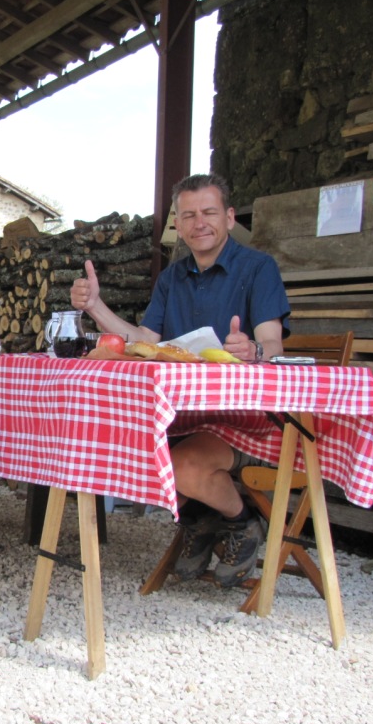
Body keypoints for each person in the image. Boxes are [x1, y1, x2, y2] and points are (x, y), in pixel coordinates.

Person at [70, 173, 291, 586]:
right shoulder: (173, 277)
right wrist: (96, 306)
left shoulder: (258, 268)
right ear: (178, 224)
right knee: (129, 451)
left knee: (181, 465)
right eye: (188, 215)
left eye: (209, 212)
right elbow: (144, 341)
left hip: (246, 419)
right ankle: (200, 521)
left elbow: (273, 345)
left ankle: (243, 523)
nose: (198, 223)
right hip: (185, 416)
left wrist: (253, 351)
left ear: (229, 217)